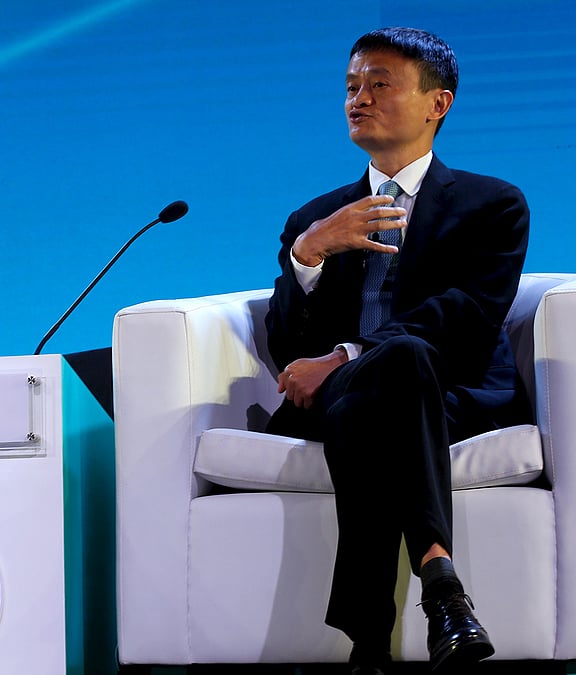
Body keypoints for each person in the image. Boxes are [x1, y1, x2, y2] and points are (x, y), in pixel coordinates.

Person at [264, 28, 529, 674]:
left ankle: (368, 646)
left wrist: (347, 352)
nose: (358, 99)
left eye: (379, 84)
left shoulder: (491, 204)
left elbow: (465, 317)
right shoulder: (318, 217)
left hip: (449, 392)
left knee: (402, 368)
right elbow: (285, 348)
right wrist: (309, 253)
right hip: (341, 395)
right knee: (385, 380)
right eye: (351, 87)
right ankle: (442, 587)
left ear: (438, 103)